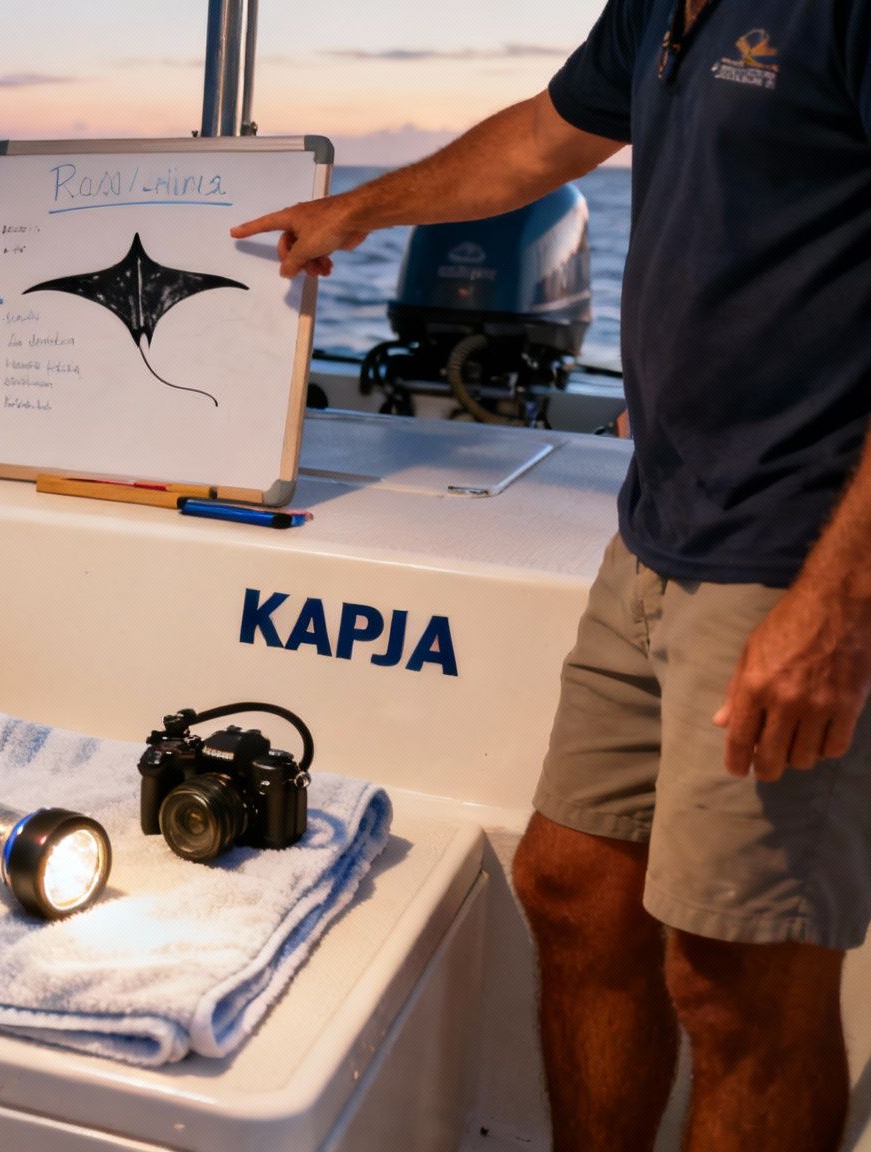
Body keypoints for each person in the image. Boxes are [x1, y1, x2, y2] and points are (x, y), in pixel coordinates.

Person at [234, 2, 871, 1147]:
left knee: (739, 987)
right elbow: (544, 138)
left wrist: (837, 604)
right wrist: (359, 209)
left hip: (795, 554)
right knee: (572, 888)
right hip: (656, 528)